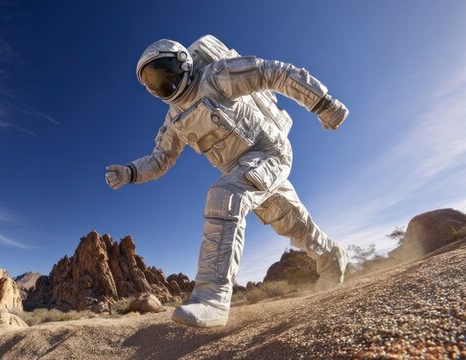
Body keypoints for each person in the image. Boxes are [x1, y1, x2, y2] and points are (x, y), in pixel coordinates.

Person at [104, 35, 350, 327]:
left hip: (269, 151)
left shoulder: (218, 76)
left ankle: (211, 297)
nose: (162, 85)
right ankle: (332, 257)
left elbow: (274, 72)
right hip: (239, 167)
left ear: (183, 63)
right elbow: (159, 160)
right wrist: (128, 172)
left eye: (164, 73)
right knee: (291, 221)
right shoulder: (174, 120)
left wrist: (321, 102)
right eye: (153, 83)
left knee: (224, 196)